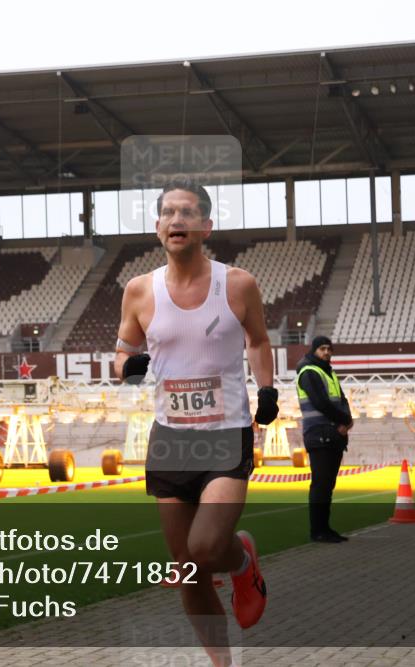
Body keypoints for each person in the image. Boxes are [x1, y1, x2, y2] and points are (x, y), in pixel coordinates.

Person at [114, 179, 278, 666]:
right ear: (157, 226)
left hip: (225, 433)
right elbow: (123, 352)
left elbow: (257, 340)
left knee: (207, 547)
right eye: (168, 213)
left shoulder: (239, 283)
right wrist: (130, 367)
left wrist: (267, 388)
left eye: (187, 213)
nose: (176, 220)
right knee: (188, 569)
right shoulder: (139, 290)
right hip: (170, 440)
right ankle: (222, 664)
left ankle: (242, 560)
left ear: (206, 226)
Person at [295, 335, 353, 543]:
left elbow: (341, 399)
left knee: (327, 484)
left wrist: (347, 421)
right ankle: (318, 531)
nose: (327, 352)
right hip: (319, 433)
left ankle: (325, 528)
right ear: (314, 351)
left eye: (329, 348)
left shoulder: (328, 373)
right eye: (322, 349)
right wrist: (343, 420)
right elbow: (320, 402)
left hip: (331, 434)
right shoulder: (309, 371)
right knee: (321, 484)